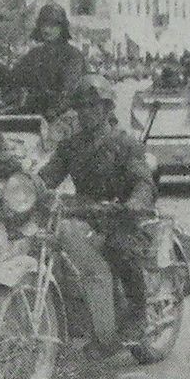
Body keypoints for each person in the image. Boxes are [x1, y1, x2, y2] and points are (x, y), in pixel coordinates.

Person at [35, 75, 157, 359]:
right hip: (87, 214)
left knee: (120, 249)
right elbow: (49, 177)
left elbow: (143, 181)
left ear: (107, 108)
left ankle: (138, 314)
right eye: (81, 107)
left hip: (120, 215)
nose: (86, 113)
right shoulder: (70, 147)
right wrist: (28, 188)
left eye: (94, 106)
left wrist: (133, 203)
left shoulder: (124, 143)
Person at [4, 3, 86, 118]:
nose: (47, 30)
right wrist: (0, 70)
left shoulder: (72, 56)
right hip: (33, 115)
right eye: (44, 25)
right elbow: (14, 78)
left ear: (62, 28)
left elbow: (68, 94)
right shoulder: (34, 54)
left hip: (62, 117)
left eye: (53, 25)